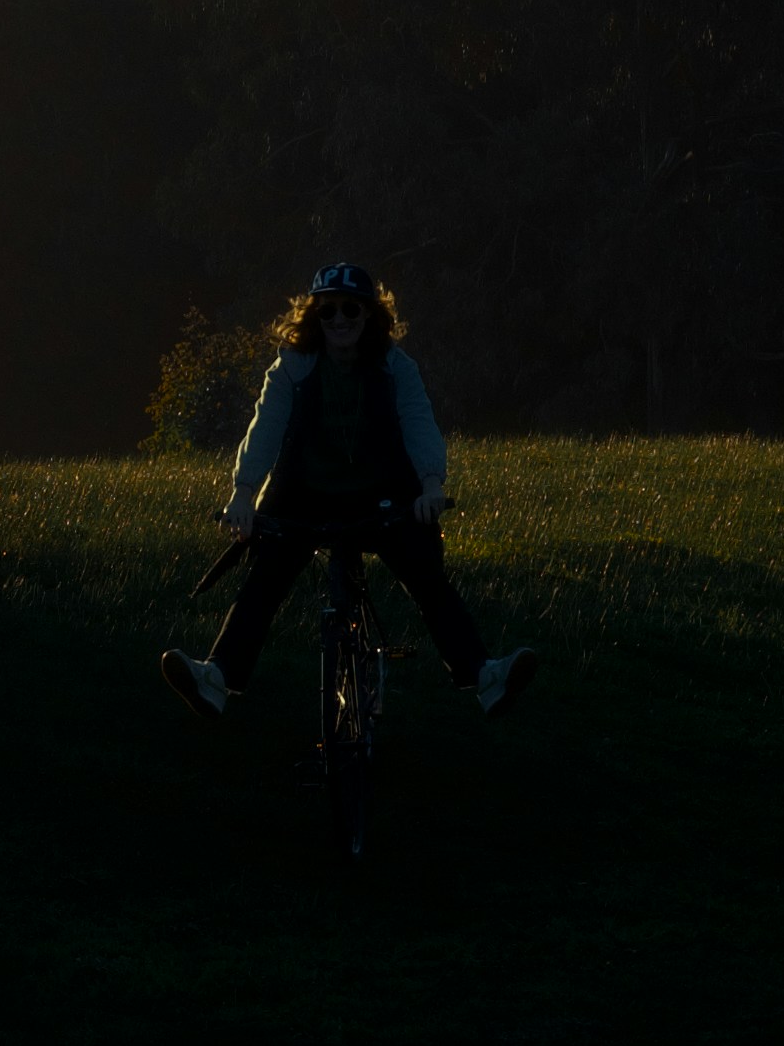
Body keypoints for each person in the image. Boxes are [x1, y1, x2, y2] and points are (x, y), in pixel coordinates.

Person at [164, 263, 535, 721]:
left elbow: (418, 423)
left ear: (370, 316)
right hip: (303, 498)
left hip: (381, 498)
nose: (339, 320)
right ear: (312, 317)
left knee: (425, 576)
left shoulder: (396, 368)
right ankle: (215, 678)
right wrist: (243, 495)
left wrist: (431, 485)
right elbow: (265, 429)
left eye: (351, 309)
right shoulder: (291, 368)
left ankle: (485, 677)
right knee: (266, 577)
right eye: (328, 311)